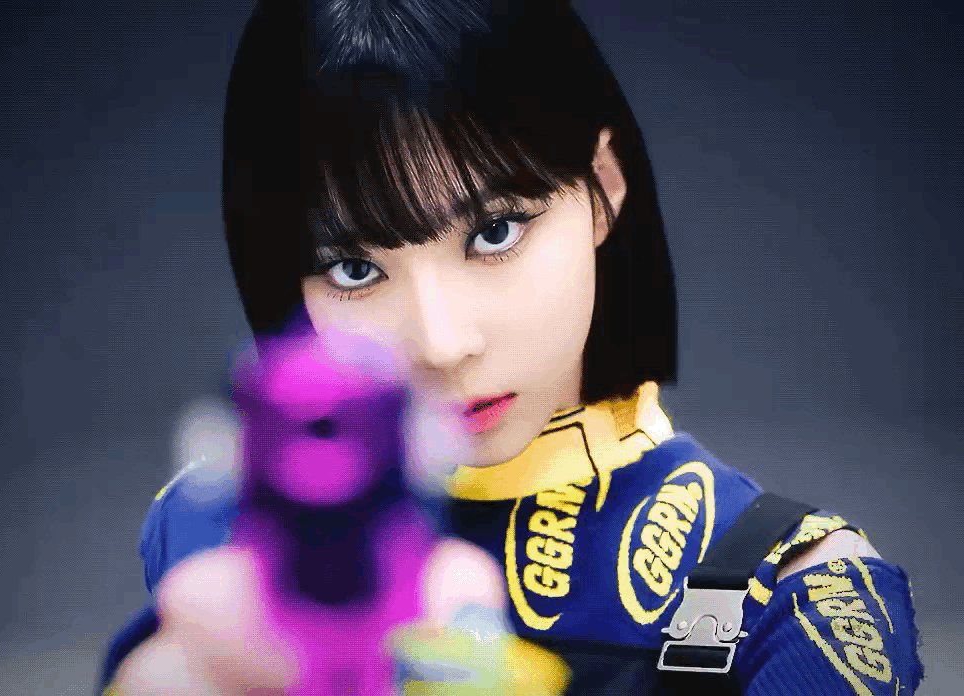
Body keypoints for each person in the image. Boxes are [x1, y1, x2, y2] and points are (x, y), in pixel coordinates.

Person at [98, 0, 925, 693]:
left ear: (603, 186)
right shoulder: (216, 529)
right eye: (353, 268)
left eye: (495, 231)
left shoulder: (802, 589)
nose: (440, 344)